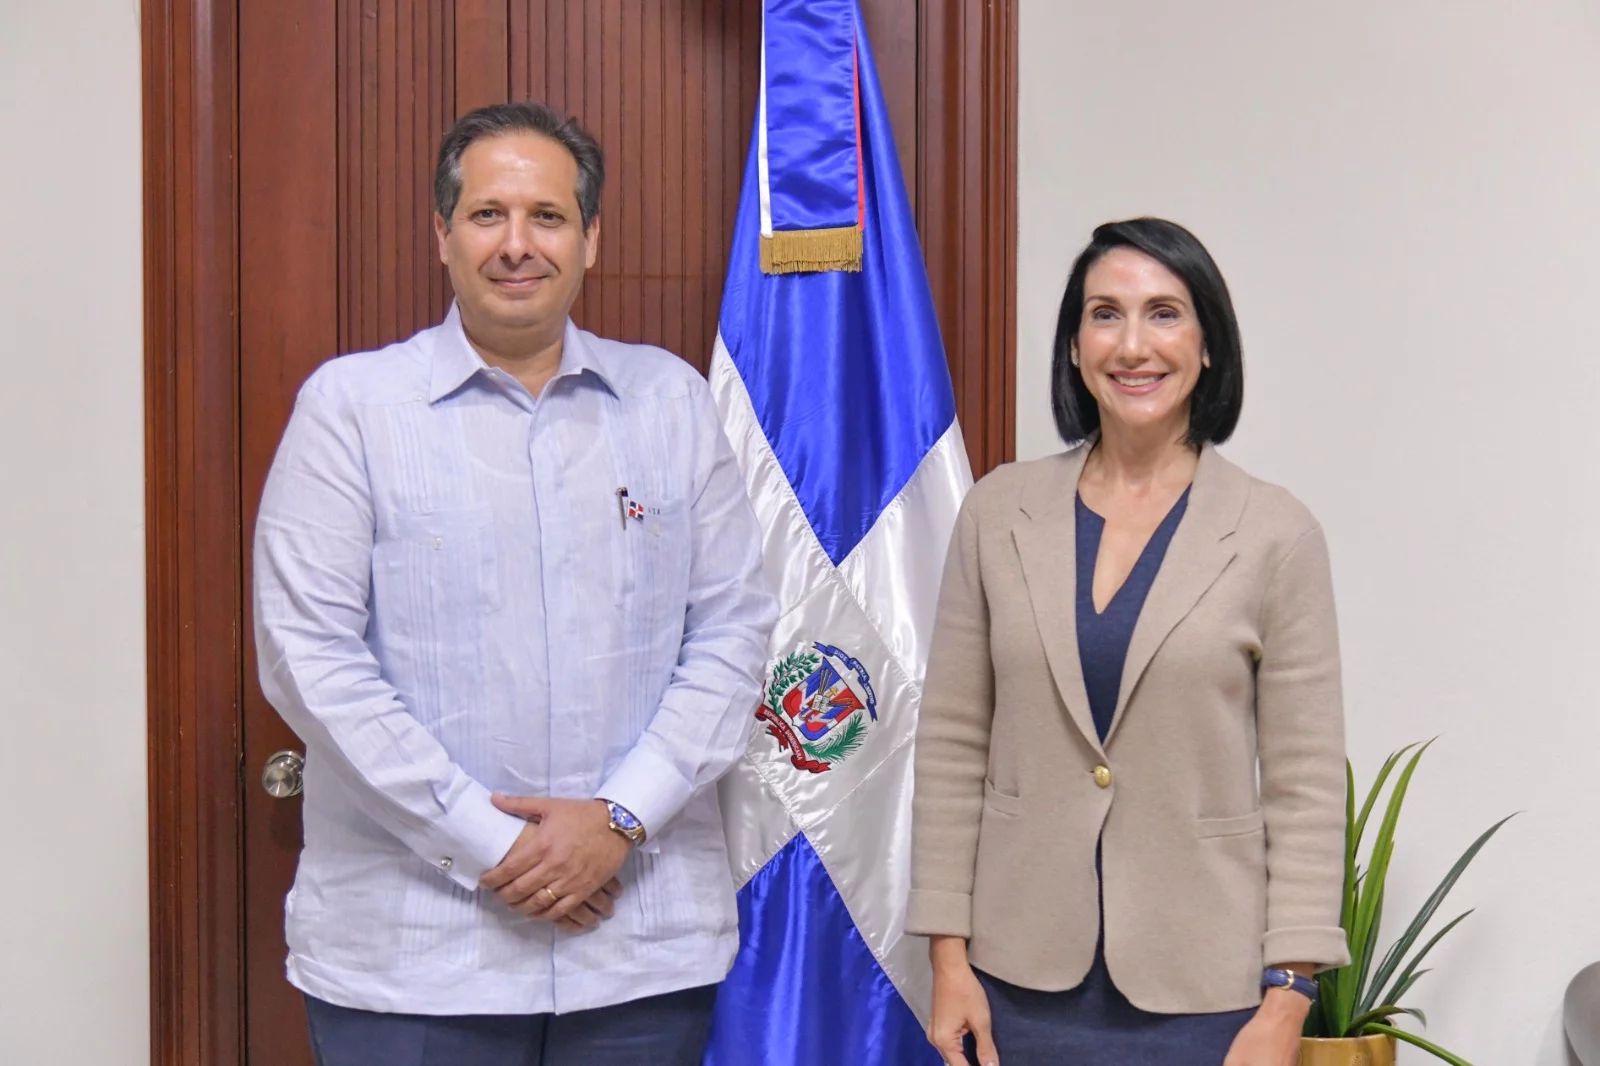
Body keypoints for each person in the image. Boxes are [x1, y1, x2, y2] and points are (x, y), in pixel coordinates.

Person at [253, 101, 777, 1066]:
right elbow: (309, 661)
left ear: (591, 240)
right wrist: (493, 846)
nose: (517, 244)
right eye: (488, 214)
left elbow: (734, 631)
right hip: (412, 957)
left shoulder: (671, 404)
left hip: (638, 948)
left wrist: (619, 819)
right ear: (442, 234)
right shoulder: (351, 411)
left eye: (548, 215)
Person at [907, 218, 1350, 1066]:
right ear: (1075, 347)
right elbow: (953, 743)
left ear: (1208, 343)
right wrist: (947, 957)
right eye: (1105, 314)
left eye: (1164, 313)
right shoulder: (998, 514)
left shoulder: (1276, 533)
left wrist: (1287, 1001)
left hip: (1207, 997)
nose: (1133, 344)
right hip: (1016, 985)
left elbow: (1305, 785)